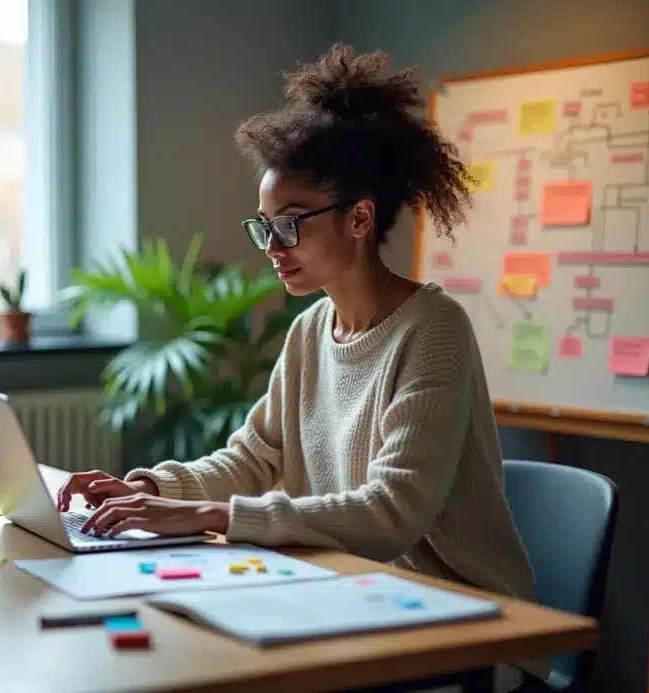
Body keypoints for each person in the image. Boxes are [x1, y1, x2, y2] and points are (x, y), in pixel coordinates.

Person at [57, 44, 545, 691]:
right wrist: (150, 489)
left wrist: (214, 517)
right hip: (350, 595)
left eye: (288, 226)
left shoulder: (434, 331)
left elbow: (390, 511)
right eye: (264, 229)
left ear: (360, 218)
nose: (272, 250)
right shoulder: (312, 329)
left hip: (460, 625)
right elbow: (255, 457)